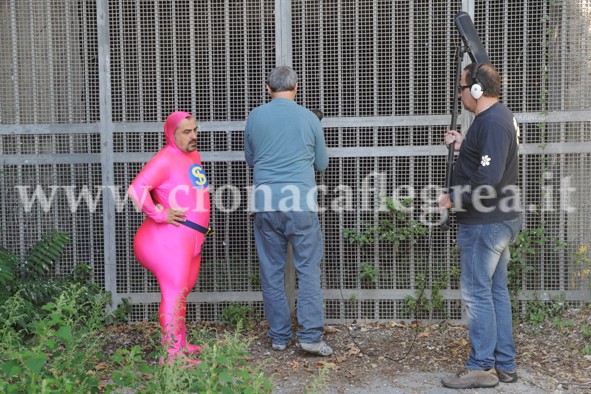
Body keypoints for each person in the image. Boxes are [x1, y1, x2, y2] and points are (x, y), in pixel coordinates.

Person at [438, 62, 523, 389]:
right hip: (499, 219)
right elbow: (491, 160)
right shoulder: (497, 118)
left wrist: (452, 198)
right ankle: (505, 365)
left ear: (475, 90)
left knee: (477, 294)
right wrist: (464, 146)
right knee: (495, 292)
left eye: (461, 88)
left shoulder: (491, 123)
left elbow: (487, 181)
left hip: (485, 224)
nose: (460, 94)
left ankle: (481, 366)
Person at [244, 66, 332, 356]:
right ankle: (310, 337)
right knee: (307, 268)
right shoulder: (309, 118)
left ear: (268, 89)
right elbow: (321, 165)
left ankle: (279, 336)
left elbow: (251, 158)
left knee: (271, 271)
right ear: (296, 88)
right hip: (301, 204)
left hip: (266, 202)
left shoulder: (255, 116)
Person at [128, 111, 211, 365]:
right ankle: (173, 356)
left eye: (195, 130)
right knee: (174, 293)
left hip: (190, 238)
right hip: (168, 239)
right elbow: (136, 189)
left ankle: (181, 344)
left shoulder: (192, 155)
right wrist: (160, 214)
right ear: (171, 134)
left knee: (181, 293)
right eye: (187, 132)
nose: (193, 136)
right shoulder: (165, 159)